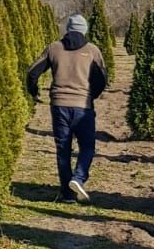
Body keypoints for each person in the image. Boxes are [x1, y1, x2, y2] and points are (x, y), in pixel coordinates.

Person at [26, 14, 107, 202]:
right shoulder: (92, 51)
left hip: (59, 105)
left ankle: (67, 193)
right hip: (83, 107)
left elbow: (32, 72)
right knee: (87, 146)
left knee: (63, 148)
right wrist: (90, 95)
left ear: (68, 29)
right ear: (85, 30)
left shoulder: (54, 48)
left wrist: (34, 92)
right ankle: (78, 177)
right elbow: (102, 79)